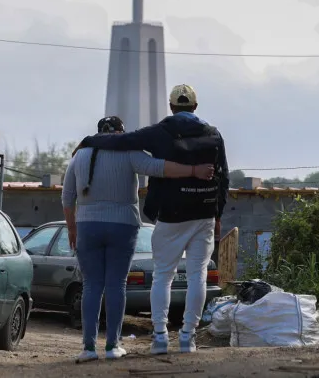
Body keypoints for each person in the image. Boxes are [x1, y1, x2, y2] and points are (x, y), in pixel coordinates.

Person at [78, 85, 229, 356]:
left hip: (171, 215)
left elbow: (122, 141)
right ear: (195, 107)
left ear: (171, 107)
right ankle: (187, 338)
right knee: (198, 276)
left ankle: (159, 337)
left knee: (163, 276)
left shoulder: (160, 133)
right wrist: (217, 214)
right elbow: (223, 178)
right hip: (204, 214)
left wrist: (91, 140)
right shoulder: (213, 134)